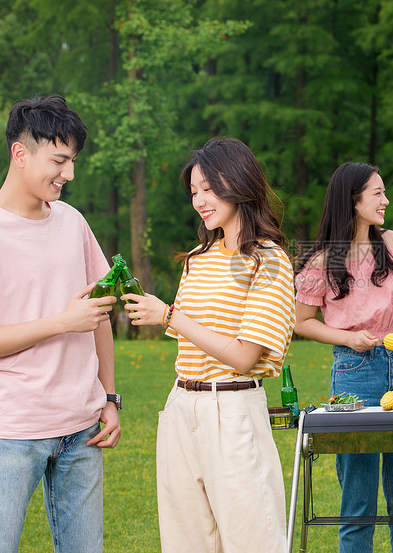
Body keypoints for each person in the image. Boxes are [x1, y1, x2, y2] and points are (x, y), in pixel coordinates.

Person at [0, 94, 121, 553]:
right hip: (13, 430)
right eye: (59, 160)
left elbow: (98, 314)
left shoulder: (72, 222)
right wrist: (61, 322)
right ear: (20, 154)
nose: (68, 174)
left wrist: (108, 397)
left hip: (83, 429)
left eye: (72, 162)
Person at [123, 138, 296, 552]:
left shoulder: (268, 260)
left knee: (253, 540)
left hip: (233, 412)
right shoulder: (198, 258)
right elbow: (193, 342)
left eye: (209, 188)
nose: (200, 200)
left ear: (238, 182)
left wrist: (169, 316)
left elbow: (242, 355)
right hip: (182, 408)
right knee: (187, 542)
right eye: (194, 192)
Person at [294, 162, 393, 553]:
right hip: (354, 373)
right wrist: (348, 339)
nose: (386, 201)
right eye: (378, 193)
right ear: (353, 201)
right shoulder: (322, 260)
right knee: (358, 502)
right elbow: (302, 322)